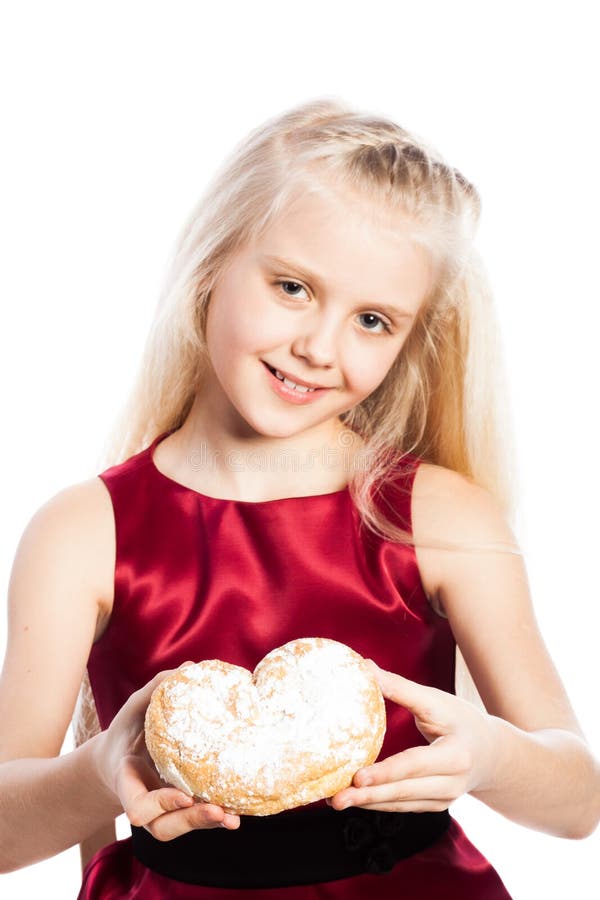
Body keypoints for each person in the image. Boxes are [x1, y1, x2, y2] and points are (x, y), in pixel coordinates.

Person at [1, 97, 598, 899]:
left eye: (374, 321)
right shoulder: (83, 532)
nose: (320, 348)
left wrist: (487, 755)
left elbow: (579, 804)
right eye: (292, 287)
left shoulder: (439, 516)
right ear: (213, 261)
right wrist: (103, 772)